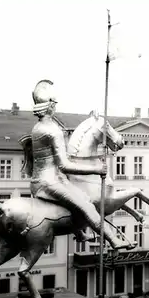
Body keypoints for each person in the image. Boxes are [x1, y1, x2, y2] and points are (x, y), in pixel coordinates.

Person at [28, 79, 128, 249]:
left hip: (37, 182)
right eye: (54, 103)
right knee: (86, 203)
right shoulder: (54, 131)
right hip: (51, 183)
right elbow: (64, 166)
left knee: (74, 197)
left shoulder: (37, 128)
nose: (55, 106)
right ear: (50, 106)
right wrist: (96, 169)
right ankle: (113, 240)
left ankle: (80, 233)